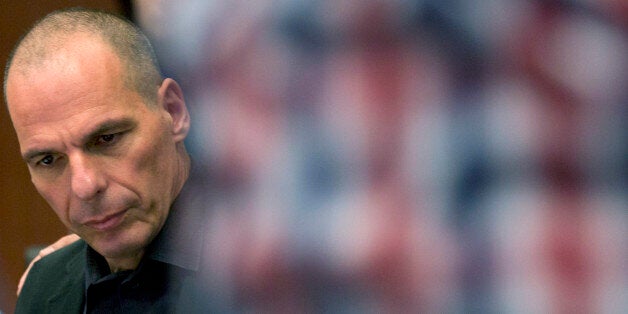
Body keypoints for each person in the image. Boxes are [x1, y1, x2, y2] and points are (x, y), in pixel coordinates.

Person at [5, 8, 213, 313]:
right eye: (49, 160)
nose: (85, 186)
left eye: (107, 139)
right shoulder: (43, 285)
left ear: (173, 111)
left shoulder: (283, 270)